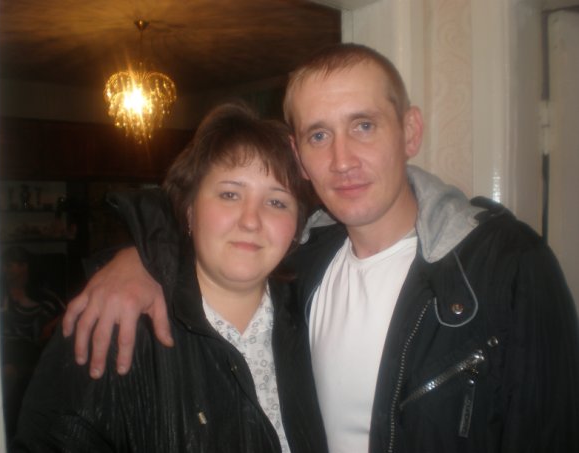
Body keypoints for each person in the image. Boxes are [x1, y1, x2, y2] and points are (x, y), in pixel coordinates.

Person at [63, 44, 579, 452]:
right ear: (298, 154)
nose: (342, 160)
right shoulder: (299, 261)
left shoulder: (506, 267)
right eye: (318, 136)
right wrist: (140, 260)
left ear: (410, 131)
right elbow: (208, 224)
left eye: (363, 126)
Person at [13, 103, 327, 452]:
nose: (251, 220)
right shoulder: (111, 325)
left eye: (277, 202)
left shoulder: (316, 316)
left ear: (297, 227)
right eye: (230, 194)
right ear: (189, 211)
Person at [0, 246, 65, 443]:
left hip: (26, 347)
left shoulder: (42, 296)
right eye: (5, 264)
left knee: (9, 369)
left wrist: (49, 327)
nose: (6, 269)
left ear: (25, 267)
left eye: (12, 264)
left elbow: (68, 312)